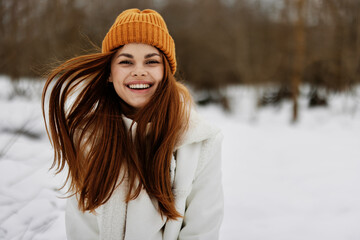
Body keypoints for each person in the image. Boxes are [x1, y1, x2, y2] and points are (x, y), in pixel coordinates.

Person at [42, 8, 223, 240]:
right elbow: (82, 228)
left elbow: (202, 230)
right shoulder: (88, 139)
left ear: (166, 72)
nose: (139, 72)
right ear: (109, 72)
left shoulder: (199, 141)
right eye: (126, 62)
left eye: (151, 62)